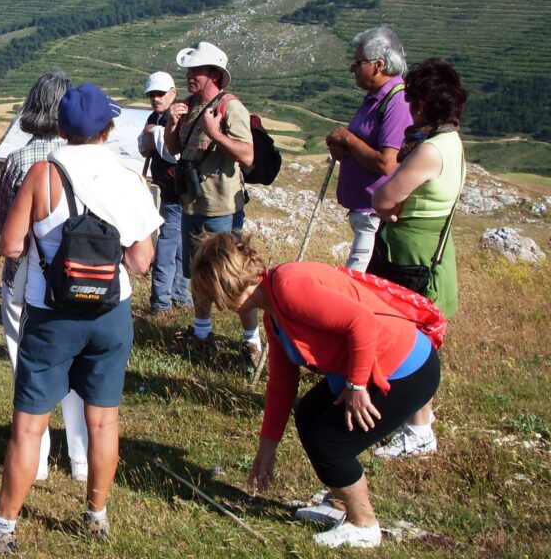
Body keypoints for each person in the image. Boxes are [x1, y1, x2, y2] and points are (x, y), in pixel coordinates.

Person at [0, 83, 160, 553]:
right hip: (110, 312)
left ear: (61, 126)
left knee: (29, 425)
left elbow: (11, 245)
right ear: (108, 128)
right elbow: (141, 262)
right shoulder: (127, 176)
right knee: (103, 421)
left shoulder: (44, 173)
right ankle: (96, 515)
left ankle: (3, 526)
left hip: (51, 313)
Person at [190, 233, 441, 549]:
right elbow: (282, 384)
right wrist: (266, 450)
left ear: (229, 284)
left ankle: (364, 525)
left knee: (329, 444)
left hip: (405, 370)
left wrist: (356, 385)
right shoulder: (273, 314)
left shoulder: (288, 287)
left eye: (216, 296)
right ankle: (339, 504)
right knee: (308, 414)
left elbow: (361, 322)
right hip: (380, 365)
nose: (218, 306)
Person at [0, 71, 89, 483]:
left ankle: (37, 458)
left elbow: (4, 224)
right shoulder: (85, 160)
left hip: (26, 277)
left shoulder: (19, 160)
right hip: (81, 276)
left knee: (26, 366)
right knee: (78, 370)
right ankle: (82, 459)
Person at [370, 58, 467, 459]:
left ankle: (418, 430)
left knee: (406, 341)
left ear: (425, 103)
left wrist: (388, 206)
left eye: (411, 99)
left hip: (407, 257)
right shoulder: (452, 142)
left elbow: (383, 198)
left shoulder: (428, 150)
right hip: (430, 251)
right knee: (414, 340)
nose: (408, 106)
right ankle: (412, 419)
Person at [164, 41, 260, 362]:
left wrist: (216, 134)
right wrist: (172, 124)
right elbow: (175, 149)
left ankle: (251, 342)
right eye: (189, 70)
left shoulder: (231, 108)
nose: (189, 76)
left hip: (221, 208)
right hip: (193, 203)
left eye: (196, 71)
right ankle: (202, 334)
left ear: (214, 75)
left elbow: (247, 155)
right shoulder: (188, 105)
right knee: (197, 272)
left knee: (234, 276)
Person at [326, 26, 412, 271]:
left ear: (379, 65)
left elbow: (387, 163)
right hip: (366, 212)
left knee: (357, 277)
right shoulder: (377, 97)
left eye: (358, 62)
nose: (352, 68)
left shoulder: (397, 101)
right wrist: (341, 145)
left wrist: (348, 138)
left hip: (374, 215)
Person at [137, 70, 192, 313]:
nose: (155, 99)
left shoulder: (179, 116)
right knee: (177, 245)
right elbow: (143, 148)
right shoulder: (155, 116)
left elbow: (174, 153)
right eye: (151, 95)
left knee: (171, 246)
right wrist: (150, 133)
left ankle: (163, 302)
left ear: (173, 93)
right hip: (170, 191)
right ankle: (177, 298)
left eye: (160, 94)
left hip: (178, 192)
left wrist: (154, 133)